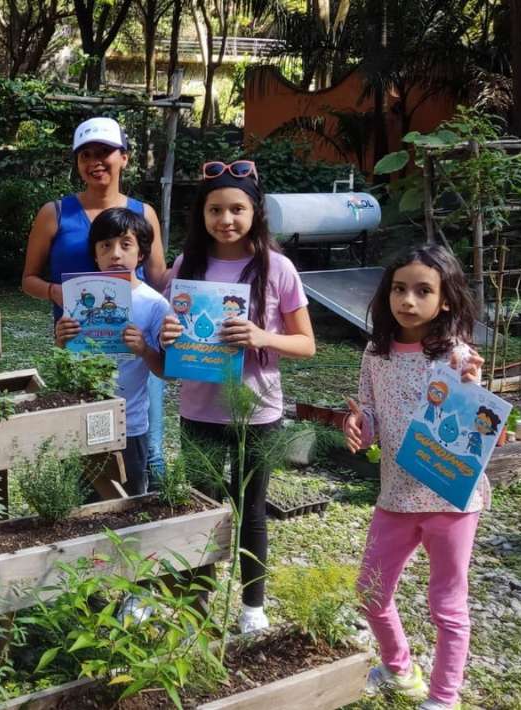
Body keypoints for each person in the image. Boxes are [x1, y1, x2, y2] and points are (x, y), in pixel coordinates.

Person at [158, 159, 316, 634]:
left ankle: (252, 608)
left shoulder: (278, 267)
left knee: (252, 510)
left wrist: (261, 337)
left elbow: (306, 344)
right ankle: (196, 604)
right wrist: (167, 333)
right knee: (200, 508)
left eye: (236, 209)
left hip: (259, 412)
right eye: (214, 210)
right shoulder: (187, 266)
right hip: (198, 408)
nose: (225, 220)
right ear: (201, 215)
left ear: (255, 212)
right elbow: (170, 331)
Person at [344, 244, 489, 710]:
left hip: (451, 500)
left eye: (423, 291)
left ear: (445, 300)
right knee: (370, 592)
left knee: (447, 607)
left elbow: (473, 427)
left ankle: (444, 698)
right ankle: (398, 667)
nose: (408, 300)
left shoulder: (456, 356)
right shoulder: (376, 352)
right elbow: (370, 418)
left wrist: (472, 391)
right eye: (399, 289)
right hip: (395, 497)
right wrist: (358, 426)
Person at [21, 116, 169, 484]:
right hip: (80, 347)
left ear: (125, 158)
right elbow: (28, 280)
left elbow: (160, 279)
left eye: (105, 151)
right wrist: (58, 292)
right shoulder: (54, 213)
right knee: (85, 447)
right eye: (85, 154)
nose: (95, 161)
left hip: (136, 348)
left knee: (147, 450)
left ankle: (142, 522)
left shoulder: (144, 212)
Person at [54, 208, 169, 495]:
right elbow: (67, 362)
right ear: (95, 254)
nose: (115, 254)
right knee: (80, 501)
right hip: (83, 420)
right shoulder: (79, 297)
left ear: (141, 254)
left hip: (129, 423)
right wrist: (61, 341)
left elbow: (166, 371)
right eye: (105, 246)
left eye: (125, 245)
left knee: (127, 504)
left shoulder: (155, 304)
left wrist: (143, 348)